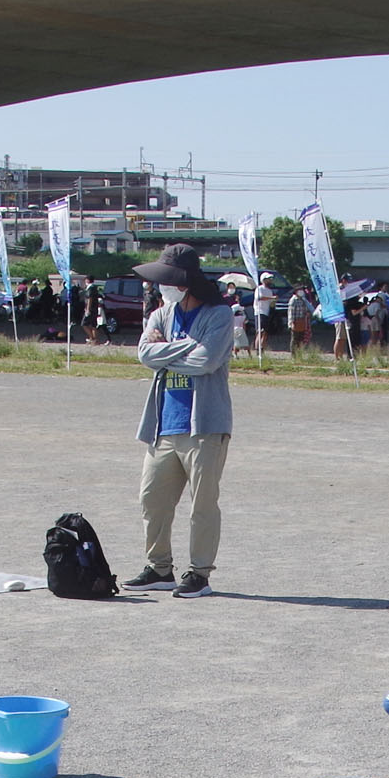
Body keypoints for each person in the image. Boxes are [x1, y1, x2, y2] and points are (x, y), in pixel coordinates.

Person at [122, 245, 233, 600]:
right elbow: (144, 354)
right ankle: (160, 568)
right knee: (151, 498)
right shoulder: (161, 313)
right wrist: (183, 348)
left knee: (203, 503)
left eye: (166, 280)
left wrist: (167, 351)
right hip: (164, 424)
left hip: (204, 426)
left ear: (185, 282)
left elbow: (206, 361)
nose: (160, 287)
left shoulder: (218, 314)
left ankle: (199, 573)